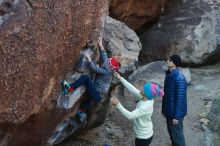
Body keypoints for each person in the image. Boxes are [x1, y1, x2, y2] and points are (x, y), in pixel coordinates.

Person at [62, 38, 120, 120]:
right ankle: (82, 112)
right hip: (99, 93)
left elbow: (94, 69)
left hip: (98, 93)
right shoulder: (109, 69)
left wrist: (89, 58)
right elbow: (105, 57)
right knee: (89, 97)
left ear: (108, 66)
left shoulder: (106, 71)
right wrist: (101, 46)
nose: (106, 61)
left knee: (85, 78)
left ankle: (69, 89)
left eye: (107, 62)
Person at [111, 72, 164, 146]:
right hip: (145, 134)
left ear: (146, 93)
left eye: (144, 89)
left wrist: (118, 105)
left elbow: (130, 116)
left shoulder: (145, 106)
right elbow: (132, 89)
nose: (142, 88)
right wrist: (121, 78)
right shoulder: (145, 98)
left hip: (143, 137)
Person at [162, 54, 187, 146]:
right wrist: (164, 109)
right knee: (172, 134)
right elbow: (166, 95)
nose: (167, 61)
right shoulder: (169, 74)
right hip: (169, 111)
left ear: (175, 63)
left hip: (175, 114)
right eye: (168, 59)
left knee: (178, 137)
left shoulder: (179, 78)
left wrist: (177, 116)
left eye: (170, 60)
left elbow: (180, 99)